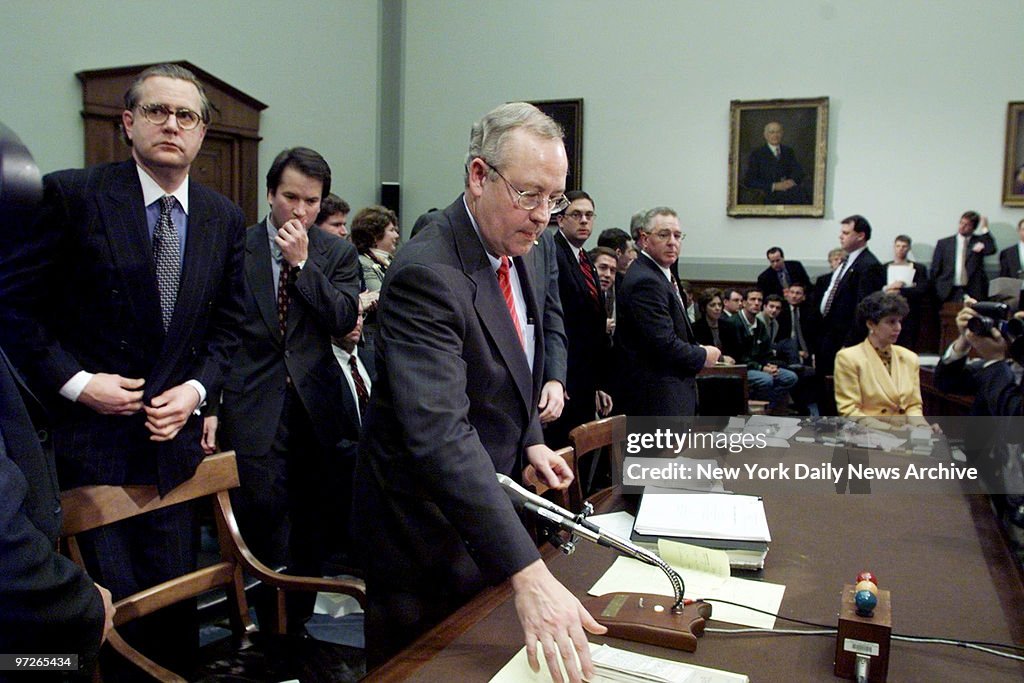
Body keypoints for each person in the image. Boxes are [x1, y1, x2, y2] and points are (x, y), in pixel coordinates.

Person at [0, 63, 245, 670]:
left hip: (173, 452)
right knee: (106, 623)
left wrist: (195, 391)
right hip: (90, 449)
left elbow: (230, 328)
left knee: (171, 622)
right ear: (128, 122)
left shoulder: (222, 216)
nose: (172, 125)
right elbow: (16, 311)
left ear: (202, 133)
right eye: (157, 111)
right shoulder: (73, 195)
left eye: (186, 115)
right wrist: (80, 385)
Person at [351, 102, 605, 682]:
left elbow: (516, 358)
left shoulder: (529, 246)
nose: (544, 216)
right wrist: (527, 570)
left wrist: (531, 437)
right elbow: (439, 435)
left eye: (555, 198)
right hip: (424, 535)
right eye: (529, 194)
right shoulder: (427, 271)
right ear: (477, 175)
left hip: (489, 512)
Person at [217, 147, 360, 629]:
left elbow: (343, 319)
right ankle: (258, 629)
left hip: (316, 409)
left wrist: (302, 266)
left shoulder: (335, 253)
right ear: (270, 194)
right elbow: (219, 330)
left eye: (312, 201)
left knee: (313, 529)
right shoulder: (238, 246)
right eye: (291, 197)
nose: (300, 211)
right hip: (251, 405)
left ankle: (295, 631)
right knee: (259, 523)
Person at [615, 207, 720, 416]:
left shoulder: (661, 273)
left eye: (677, 236)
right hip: (654, 400)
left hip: (668, 396)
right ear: (644, 239)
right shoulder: (645, 281)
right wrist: (703, 354)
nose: (673, 242)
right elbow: (663, 344)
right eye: (664, 235)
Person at [548, 190, 613, 447]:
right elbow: (556, 320)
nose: (584, 220)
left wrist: (598, 382)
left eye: (589, 215)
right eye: (576, 215)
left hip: (585, 374)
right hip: (566, 374)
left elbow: (594, 324)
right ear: (561, 219)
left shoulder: (584, 257)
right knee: (563, 447)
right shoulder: (554, 253)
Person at [814, 215, 885, 415]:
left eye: (846, 233)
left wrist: (850, 343)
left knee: (840, 394)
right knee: (825, 389)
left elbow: (864, 309)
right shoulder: (848, 262)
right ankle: (825, 432)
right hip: (829, 336)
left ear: (861, 236)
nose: (841, 237)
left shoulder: (869, 265)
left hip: (845, 340)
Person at [833, 292, 927, 429]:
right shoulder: (848, 358)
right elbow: (850, 412)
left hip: (906, 435)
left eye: (899, 321)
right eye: (891, 322)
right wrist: (894, 430)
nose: (898, 328)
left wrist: (921, 427)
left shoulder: (909, 358)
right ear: (871, 324)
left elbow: (913, 406)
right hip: (867, 435)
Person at [523, 227, 568, 426]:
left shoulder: (544, 240)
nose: (542, 216)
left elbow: (551, 314)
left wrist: (555, 378)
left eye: (553, 200)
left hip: (534, 395)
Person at [733, 288, 798, 414]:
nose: (756, 303)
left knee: (791, 377)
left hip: (760, 366)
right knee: (766, 379)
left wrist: (770, 365)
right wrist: (762, 367)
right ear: (744, 302)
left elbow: (766, 351)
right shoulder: (734, 323)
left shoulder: (760, 325)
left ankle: (770, 408)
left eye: (759, 300)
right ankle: (758, 410)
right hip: (742, 366)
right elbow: (738, 356)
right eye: (752, 299)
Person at [351, 204, 400, 351]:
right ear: (374, 234)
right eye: (391, 230)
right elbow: (381, 295)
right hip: (373, 338)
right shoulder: (363, 262)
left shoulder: (390, 261)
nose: (397, 235)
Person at [930, 211, 996, 303]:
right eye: (961, 223)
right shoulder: (944, 243)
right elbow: (935, 268)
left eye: (967, 225)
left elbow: (991, 249)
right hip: (948, 289)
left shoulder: (979, 241)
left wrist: (985, 229)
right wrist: (936, 287)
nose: (962, 227)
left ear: (973, 228)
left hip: (973, 289)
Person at [742, 121, 811, 204]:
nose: (775, 135)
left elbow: (798, 172)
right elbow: (749, 181)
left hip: (790, 193)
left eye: (778, 132)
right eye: (772, 132)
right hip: (767, 195)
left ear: (782, 134)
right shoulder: (757, 154)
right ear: (766, 135)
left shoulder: (788, 151)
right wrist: (774, 186)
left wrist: (792, 181)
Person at [884, 234, 929, 349]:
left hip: (910, 311)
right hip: (887, 309)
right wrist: (889, 288)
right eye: (898, 246)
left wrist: (901, 289)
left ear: (909, 248)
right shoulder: (883, 268)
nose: (900, 249)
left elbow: (922, 289)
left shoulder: (918, 268)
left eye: (904, 246)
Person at [692, 288, 739, 364]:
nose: (717, 308)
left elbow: (736, 352)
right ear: (704, 308)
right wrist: (721, 359)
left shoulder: (729, 326)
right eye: (712, 305)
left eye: (720, 305)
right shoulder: (696, 328)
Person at [590, 245, 618, 338]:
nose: (608, 275)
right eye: (603, 267)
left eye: (613, 270)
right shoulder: (580, 296)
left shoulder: (613, 296)